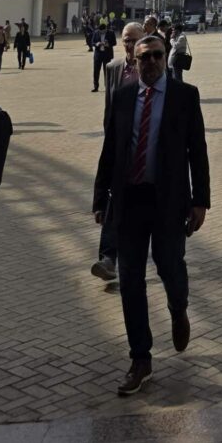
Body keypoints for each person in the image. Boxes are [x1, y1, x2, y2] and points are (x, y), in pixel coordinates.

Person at [92, 35, 210, 396]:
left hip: (169, 200)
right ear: (136, 59)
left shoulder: (184, 97)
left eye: (158, 56)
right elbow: (110, 148)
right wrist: (100, 198)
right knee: (130, 281)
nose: (152, 62)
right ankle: (140, 358)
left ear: (165, 58)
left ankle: (178, 308)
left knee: (169, 265)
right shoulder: (124, 95)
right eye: (145, 57)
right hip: (130, 200)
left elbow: (198, 151)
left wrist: (200, 200)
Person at [91, 22, 145, 284]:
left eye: (133, 40)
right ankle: (108, 258)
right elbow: (109, 108)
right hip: (119, 147)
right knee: (113, 201)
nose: (129, 45)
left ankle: (134, 258)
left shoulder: (153, 67)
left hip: (145, 146)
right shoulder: (113, 69)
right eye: (126, 40)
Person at [91, 22, 116, 92]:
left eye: (102, 31)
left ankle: (107, 87)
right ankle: (96, 87)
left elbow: (114, 42)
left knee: (107, 72)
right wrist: (97, 44)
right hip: (98, 55)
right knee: (96, 71)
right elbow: (92, 42)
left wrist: (108, 44)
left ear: (106, 29)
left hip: (107, 55)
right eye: (100, 31)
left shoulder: (111, 33)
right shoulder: (96, 33)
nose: (101, 32)